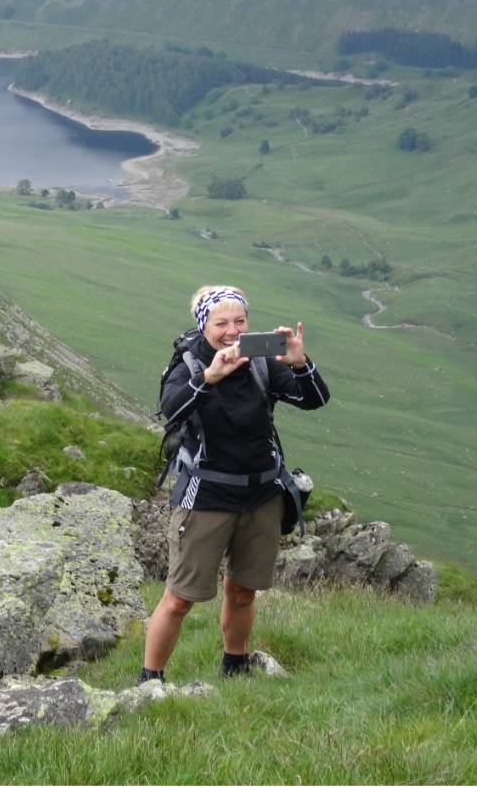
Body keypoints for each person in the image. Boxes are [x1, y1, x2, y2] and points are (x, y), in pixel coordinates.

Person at [140, 284, 329, 682]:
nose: (231, 330)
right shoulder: (189, 365)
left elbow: (314, 400)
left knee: (243, 591)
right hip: (206, 497)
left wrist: (299, 363)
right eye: (220, 322)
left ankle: (235, 670)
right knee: (178, 599)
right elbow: (170, 411)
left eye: (239, 321)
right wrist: (209, 378)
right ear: (203, 324)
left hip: (261, 495)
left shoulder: (261, 361)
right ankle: (149, 681)